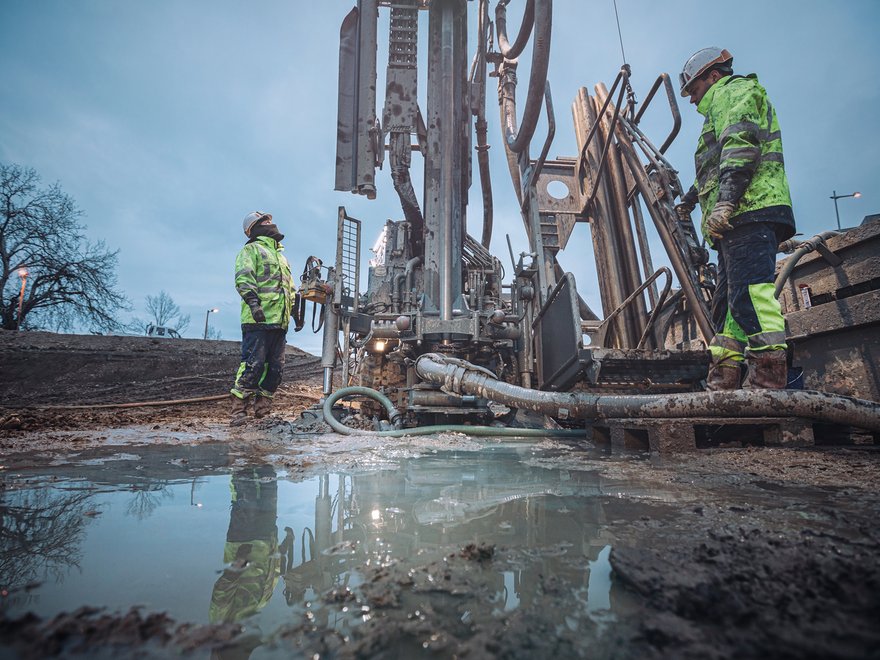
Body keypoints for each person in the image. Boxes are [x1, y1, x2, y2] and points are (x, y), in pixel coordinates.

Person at [675, 48, 796, 391]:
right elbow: (713, 169)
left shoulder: (733, 92)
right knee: (727, 307)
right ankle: (724, 379)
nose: (691, 99)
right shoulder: (717, 108)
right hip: (736, 219)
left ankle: (768, 381)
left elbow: (741, 147)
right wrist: (687, 202)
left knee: (751, 296)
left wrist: (725, 202)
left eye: (693, 90)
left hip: (751, 209)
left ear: (713, 76)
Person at [230, 211, 294, 425]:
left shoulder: (281, 257)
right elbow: (243, 278)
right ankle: (239, 410)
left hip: (279, 322)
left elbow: (289, 289)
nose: (270, 223)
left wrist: (294, 313)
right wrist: (254, 303)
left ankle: (262, 411)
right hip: (257, 320)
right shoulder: (251, 250)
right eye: (265, 221)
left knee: (275, 369)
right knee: (253, 365)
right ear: (254, 227)